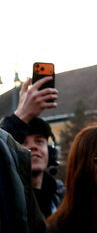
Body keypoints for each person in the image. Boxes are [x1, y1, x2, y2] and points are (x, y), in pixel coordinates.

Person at [1, 75, 63, 217]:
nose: (33, 147)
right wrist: (20, 117)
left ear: (51, 152)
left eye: (39, 141)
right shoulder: (5, 198)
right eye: (24, 142)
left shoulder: (63, 198)